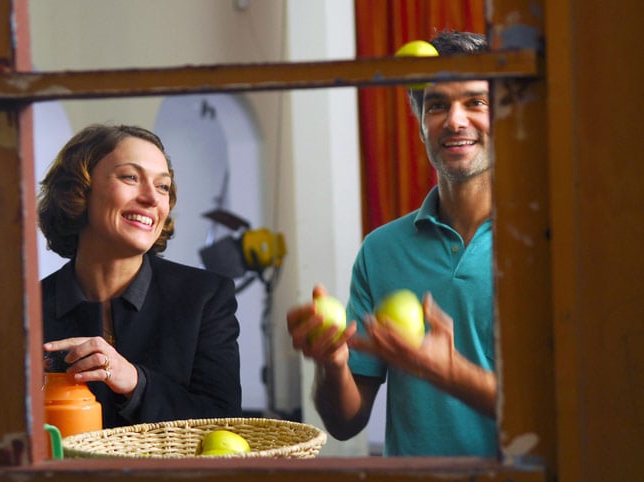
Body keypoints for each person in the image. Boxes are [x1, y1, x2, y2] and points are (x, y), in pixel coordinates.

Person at [286, 31, 497, 456]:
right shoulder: (381, 250)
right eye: (437, 105)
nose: (455, 120)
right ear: (420, 125)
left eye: (475, 102)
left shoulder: (547, 242)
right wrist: (332, 363)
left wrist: (451, 373)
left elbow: (580, 411)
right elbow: (345, 422)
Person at [39, 124, 242, 428]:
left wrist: (134, 381)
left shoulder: (207, 297)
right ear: (79, 190)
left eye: (162, 186)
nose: (152, 198)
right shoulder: (23, 310)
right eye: (130, 177)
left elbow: (225, 426)